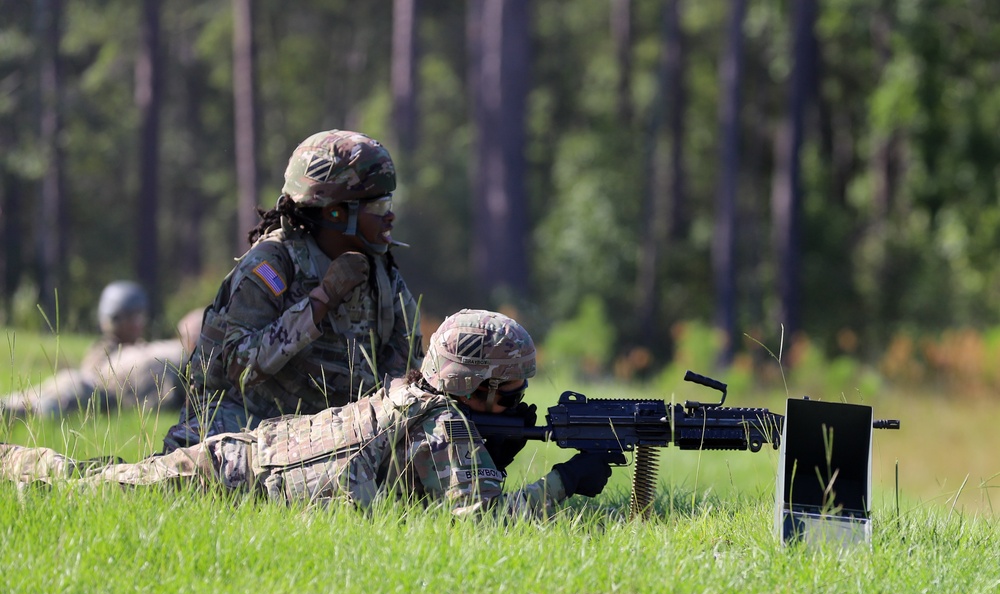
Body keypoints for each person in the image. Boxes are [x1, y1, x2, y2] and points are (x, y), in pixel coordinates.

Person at [1, 310, 623, 517]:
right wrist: (565, 481)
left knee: (92, 477)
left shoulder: (417, 400)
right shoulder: (439, 422)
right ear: (476, 386)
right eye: (510, 392)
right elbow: (484, 528)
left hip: (239, 462)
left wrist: (490, 453)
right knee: (76, 488)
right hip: (224, 475)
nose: (516, 403)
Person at [162, 129, 422, 454]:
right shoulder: (273, 264)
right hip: (242, 427)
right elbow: (239, 368)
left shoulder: (383, 275)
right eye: (379, 205)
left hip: (326, 437)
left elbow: (406, 374)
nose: (390, 215)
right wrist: (321, 301)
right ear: (335, 212)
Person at [1, 281, 188, 418]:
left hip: (96, 392)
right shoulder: (105, 349)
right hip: (89, 388)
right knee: (47, 397)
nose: (140, 323)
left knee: (46, 401)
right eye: (134, 317)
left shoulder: (145, 351)